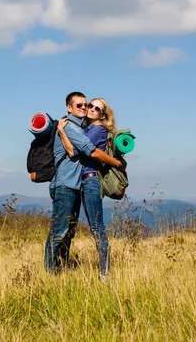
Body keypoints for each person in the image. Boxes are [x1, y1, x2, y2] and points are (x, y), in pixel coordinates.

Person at [44, 92, 126, 275]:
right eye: (85, 105)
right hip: (69, 184)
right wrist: (62, 131)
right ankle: (52, 272)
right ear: (69, 107)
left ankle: (101, 272)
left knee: (79, 229)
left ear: (103, 114)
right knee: (62, 231)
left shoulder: (91, 129)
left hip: (84, 182)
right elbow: (79, 152)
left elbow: (84, 151)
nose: (87, 108)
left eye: (93, 107)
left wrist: (118, 164)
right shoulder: (73, 127)